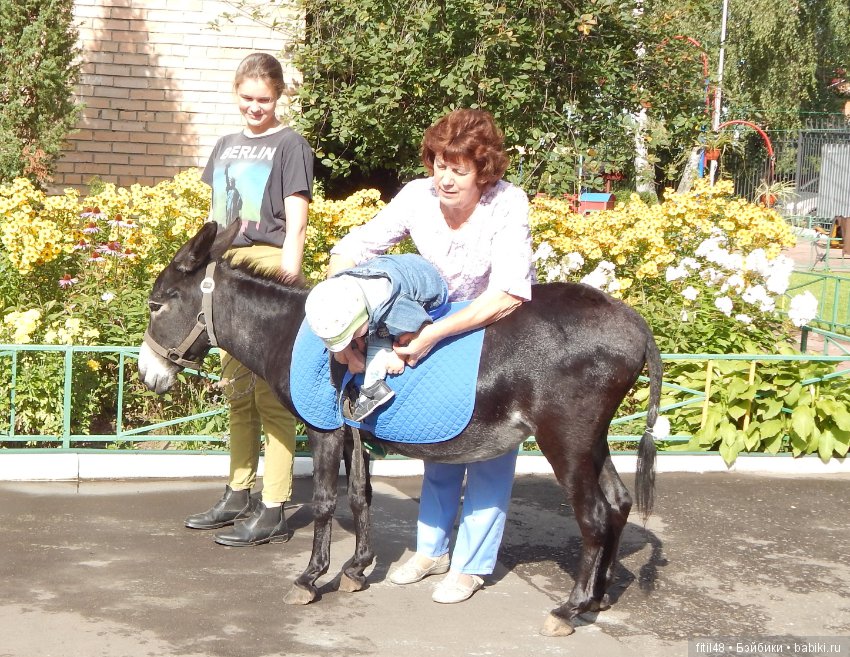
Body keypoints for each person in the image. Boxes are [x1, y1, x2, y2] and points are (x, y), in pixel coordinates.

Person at [327, 109, 535, 603]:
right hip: (430, 325)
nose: (444, 177)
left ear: (483, 172)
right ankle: (431, 550)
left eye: (458, 169)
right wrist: (340, 304)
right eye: (439, 164)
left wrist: (431, 337)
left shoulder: (508, 202)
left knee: (490, 444)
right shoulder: (418, 196)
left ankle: (471, 564)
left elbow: (509, 291)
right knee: (440, 433)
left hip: (495, 329)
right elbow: (354, 246)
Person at [183, 52, 314, 547]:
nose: (255, 107)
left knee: (269, 396)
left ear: (278, 96)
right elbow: (218, 214)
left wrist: (290, 277)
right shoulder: (226, 144)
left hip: (267, 267)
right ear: (235, 93)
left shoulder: (290, 144)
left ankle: (275, 504)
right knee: (237, 391)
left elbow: (296, 217)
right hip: (226, 269)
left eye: (264, 99)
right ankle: (237, 493)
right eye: (247, 99)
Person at [304, 253, 449, 421]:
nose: (353, 339)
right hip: (393, 269)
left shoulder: (394, 309)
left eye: (353, 335)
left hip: (431, 290)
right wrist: (349, 352)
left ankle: (372, 392)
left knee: (377, 341)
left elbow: (420, 329)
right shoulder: (341, 285)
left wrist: (398, 354)